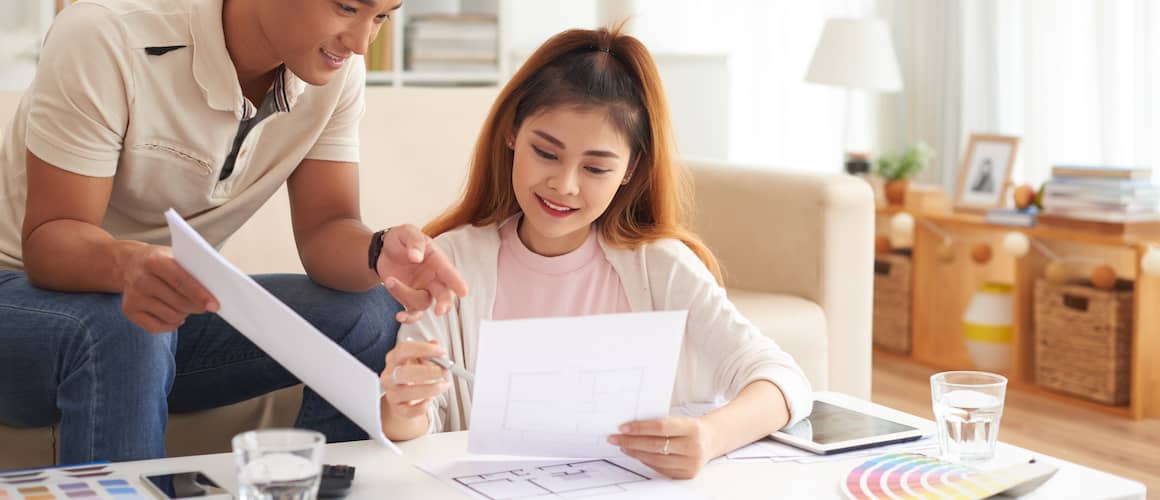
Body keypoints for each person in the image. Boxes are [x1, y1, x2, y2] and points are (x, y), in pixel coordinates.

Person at [0, 0, 466, 464]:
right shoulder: (105, 35)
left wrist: (378, 252)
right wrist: (131, 267)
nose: (362, 43)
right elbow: (50, 240)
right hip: (25, 304)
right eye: (347, 7)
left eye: (382, 16)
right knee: (129, 321)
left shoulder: (334, 72)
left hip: (163, 319)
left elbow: (327, 228)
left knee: (367, 311)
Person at [376, 25, 811, 479]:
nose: (564, 185)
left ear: (630, 170)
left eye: (596, 167)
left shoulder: (659, 266)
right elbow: (416, 427)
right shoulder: (453, 261)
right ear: (511, 134)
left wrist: (710, 437)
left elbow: (782, 379)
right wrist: (402, 404)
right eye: (546, 153)